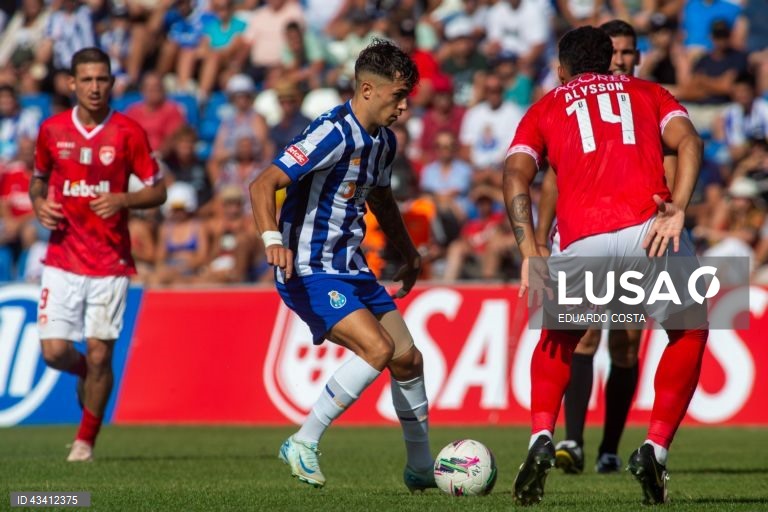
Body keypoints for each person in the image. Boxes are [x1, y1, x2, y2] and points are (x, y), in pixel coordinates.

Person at [504, 26, 706, 505]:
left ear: (561, 69)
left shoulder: (545, 107)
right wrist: (678, 207)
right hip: (648, 228)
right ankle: (654, 447)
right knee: (689, 330)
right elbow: (690, 143)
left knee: (560, 338)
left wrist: (530, 248)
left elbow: (516, 173)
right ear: (609, 59)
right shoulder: (649, 91)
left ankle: (540, 438)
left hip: (582, 238)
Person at [249, 39, 436, 491]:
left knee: (409, 359)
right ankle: (303, 441)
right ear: (368, 90)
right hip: (308, 268)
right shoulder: (331, 132)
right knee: (378, 350)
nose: (405, 105)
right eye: (398, 96)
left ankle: (420, 468)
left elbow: (381, 199)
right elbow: (263, 183)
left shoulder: (383, 143)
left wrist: (409, 254)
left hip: (351, 268)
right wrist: (273, 240)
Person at [537, 19, 664, 475]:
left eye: (628, 52)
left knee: (626, 343)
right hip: (588, 230)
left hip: (637, 230)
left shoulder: (645, 101)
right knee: (584, 333)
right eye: (615, 52)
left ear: (637, 57)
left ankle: (611, 448)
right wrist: (541, 237)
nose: (621, 59)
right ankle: (572, 440)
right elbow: (552, 177)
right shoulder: (582, 107)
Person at [30, 47, 166, 462]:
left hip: (109, 262)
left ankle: (85, 441)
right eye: (86, 79)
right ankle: (86, 373)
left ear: (112, 82)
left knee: (103, 351)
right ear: (71, 83)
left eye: (102, 79)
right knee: (54, 353)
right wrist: (39, 204)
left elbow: (158, 189)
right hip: (63, 258)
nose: (94, 87)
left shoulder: (128, 131)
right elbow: (38, 180)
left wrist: (124, 199)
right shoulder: (52, 130)